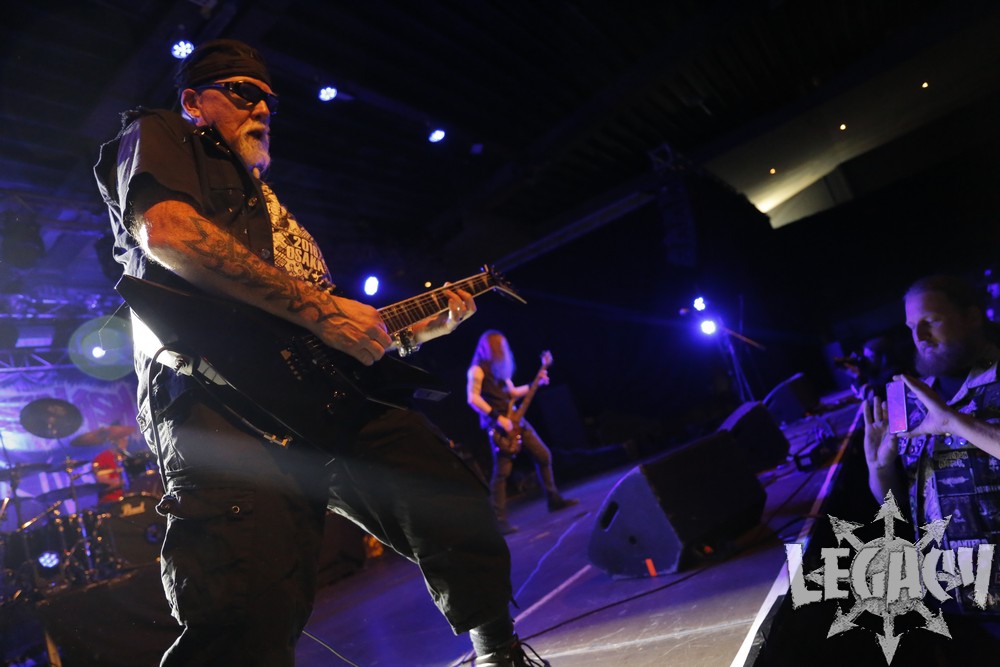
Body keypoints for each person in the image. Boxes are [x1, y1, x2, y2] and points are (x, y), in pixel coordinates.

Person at [93, 39, 548, 667]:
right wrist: (326, 312)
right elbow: (167, 232)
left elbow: (328, 333)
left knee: (449, 501)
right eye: (242, 92)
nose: (262, 108)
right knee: (246, 602)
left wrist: (410, 332)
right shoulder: (162, 132)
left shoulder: (272, 210)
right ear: (194, 101)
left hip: (327, 398)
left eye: (269, 101)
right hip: (225, 404)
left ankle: (499, 655)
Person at [863, 274, 1000, 659]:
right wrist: (879, 468)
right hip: (951, 600)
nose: (919, 336)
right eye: (911, 326)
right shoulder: (906, 397)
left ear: (972, 316)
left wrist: (954, 422)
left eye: (932, 321)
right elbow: (896, 506)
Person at [467, 330, 578, 535]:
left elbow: (512, 393)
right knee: (502, 472)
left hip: (516, 420)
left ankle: (553, 498)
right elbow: (473, 399)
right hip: (499, 426)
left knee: (543, 455)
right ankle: (499, 520)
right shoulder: (477, 370)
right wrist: (497, 418)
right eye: (500, 346)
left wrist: (536, 383)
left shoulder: (499, 369)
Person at [89, 425, 134, 506]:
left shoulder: (128, 457)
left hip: (133, 498)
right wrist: (125, 480)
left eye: (125, 437)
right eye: (120, 437)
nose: (124, 440)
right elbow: (103, 485)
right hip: (112, 502)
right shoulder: (101, 458)